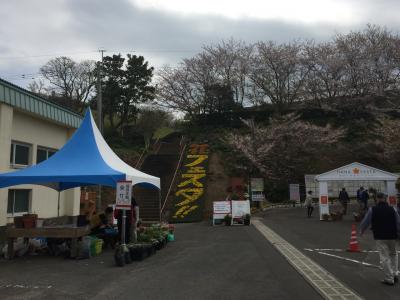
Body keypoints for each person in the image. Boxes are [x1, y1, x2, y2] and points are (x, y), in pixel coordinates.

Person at [360, 192, 400, 285]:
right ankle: (395, 273)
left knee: (385, 257)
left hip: (380, 236)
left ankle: (389, 278)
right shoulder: (393, 209)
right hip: (393, 236)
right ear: (385, 199)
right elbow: (398, 222)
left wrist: (362, 230)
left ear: (377, 199)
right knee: (394, 254)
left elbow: (366, 221)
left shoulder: (372, 210)